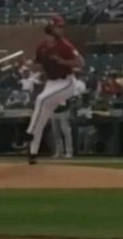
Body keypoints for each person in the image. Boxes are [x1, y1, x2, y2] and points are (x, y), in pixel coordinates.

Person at [14, 15, 84, 164]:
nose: (62, 29)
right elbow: (37, 63)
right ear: (50, 28)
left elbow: (81, 62)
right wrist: (24, 64)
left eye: (62, 26)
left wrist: (63, 61)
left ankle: (29, 132)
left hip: (67, 83)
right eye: (59, 26)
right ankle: (32, 154)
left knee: (40, 99)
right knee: (41, 118)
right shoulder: (42, 46)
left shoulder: (65, 45)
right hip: (51, 84)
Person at [51, 71, 86, 159]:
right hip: (54, 111)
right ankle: (59, 152)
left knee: (66, 132)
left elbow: (73, 98)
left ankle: (69, 152)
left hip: (64, 111)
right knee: (56, 133)